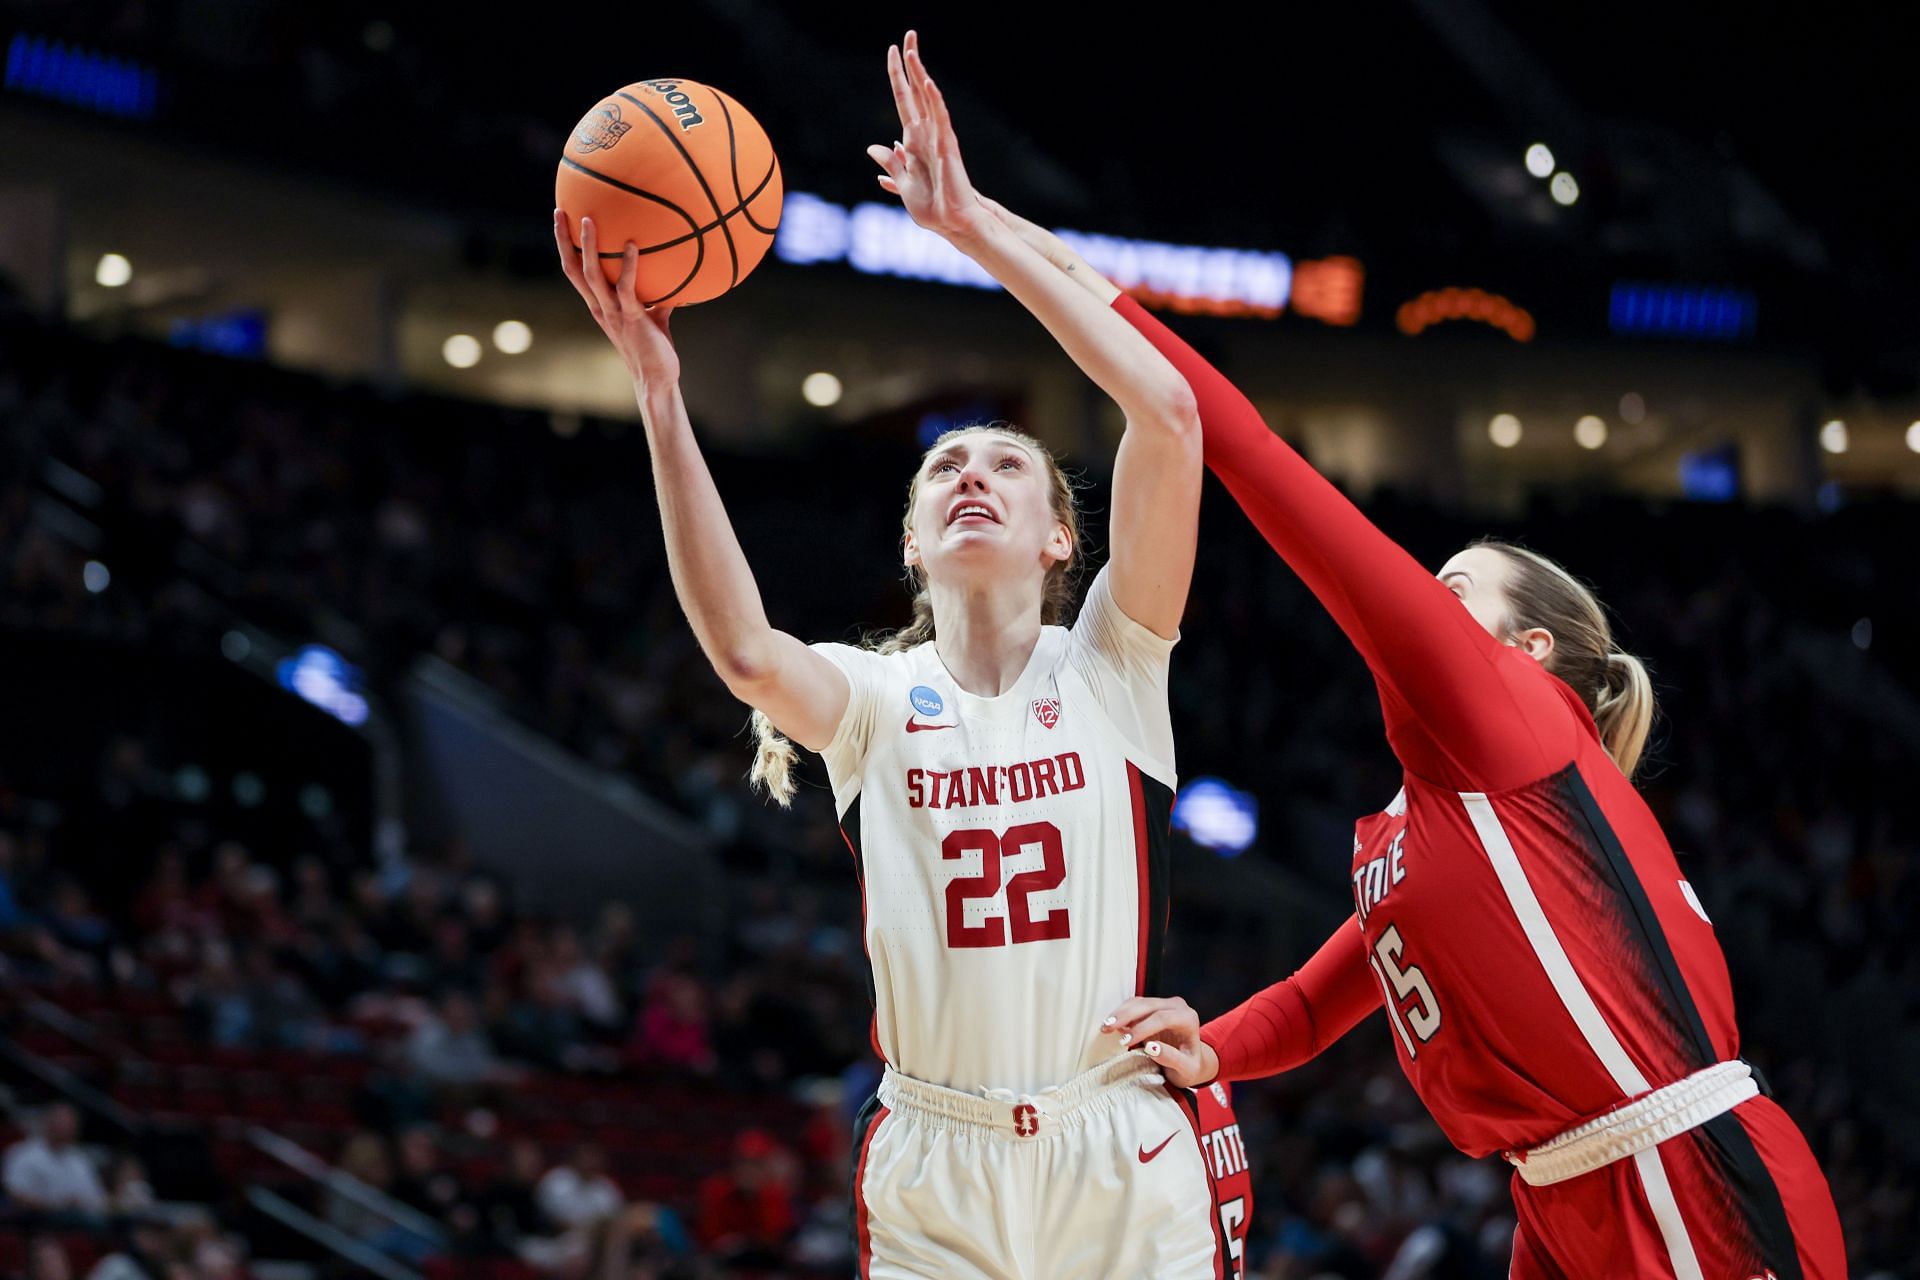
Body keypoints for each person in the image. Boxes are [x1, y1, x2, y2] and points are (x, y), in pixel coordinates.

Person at [985, 212, 1853, 1276]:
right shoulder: (1422, 824)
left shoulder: (1511, 720)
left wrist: (990, 234)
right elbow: (1316, 1001)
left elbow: (1250, 449)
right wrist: (1217, 1043)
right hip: (1558, 1189)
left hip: (1683, 1170)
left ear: (1526, 646)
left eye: (1450, 591)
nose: (1427, 610)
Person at [555, 29, 1223, 1279]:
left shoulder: (1116, 666)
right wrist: (659, 392)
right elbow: (748, 652)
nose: (972, 472)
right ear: (914, 544)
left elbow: (1170, 411)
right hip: (936, 1156)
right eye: (943, 470)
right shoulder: (874, 700)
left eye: (1006, 463)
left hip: (1115, 1147)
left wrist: (972, 231)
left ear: (1061, 538)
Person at [3, 1102, 107, 1217]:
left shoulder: (79, 1159)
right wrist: (56, 1206)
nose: (67, 1129)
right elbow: (14, 1195)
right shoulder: (22, 1154)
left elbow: (97, 1198)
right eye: (62, 1123)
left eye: (71, 1124)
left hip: (78, 1223)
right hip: (35, 1223)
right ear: (48, 1122)